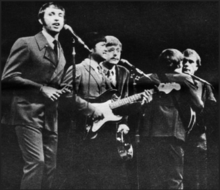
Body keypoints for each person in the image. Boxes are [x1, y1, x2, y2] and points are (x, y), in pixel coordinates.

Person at [0, 2, 72, 189]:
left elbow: (55, 82)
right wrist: (41, 88)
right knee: (36, 162)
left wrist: (63, 89)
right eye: (51, 14)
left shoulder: (60, 49)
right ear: (41, 19)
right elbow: (8, 77)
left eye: (60, 15)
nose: (56, 18)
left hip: (50, 114)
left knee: (50, 166)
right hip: (27, 112)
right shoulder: (26, 43)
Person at [136, 49, 204, 189]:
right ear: (179, 63)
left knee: (153, 179)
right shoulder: (183, 79)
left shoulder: (146, 79)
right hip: (173, 135)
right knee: (174, 179)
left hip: (149, 134)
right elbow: (198, 105)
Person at [182, 49, 217, 189]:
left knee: (196, 178)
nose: (186, 64)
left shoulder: (205, 86)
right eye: (183, 61)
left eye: (190, 61)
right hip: (172, 137)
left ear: (196, 66)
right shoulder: (169, 83)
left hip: (196, 139)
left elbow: (211, 113)